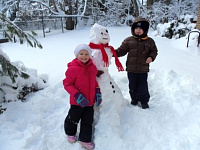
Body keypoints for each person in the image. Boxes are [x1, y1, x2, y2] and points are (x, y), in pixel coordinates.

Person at [63, 44, 102, 150]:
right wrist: (76, 95)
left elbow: (94, 81)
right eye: (81, 54)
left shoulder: (92, 67)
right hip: (77, 101)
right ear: (77, 55)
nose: (84, 56)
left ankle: (84, 139)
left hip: (90, 102)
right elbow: (67, 84)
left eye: (86, 54)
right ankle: (70, 133)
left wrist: (97, 92)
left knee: (87, 121)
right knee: (73, 118)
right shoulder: (73, 69)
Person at [115, 17, 158, 109]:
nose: (138, 30)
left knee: (143, 86)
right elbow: (121, 50)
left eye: (141, 29)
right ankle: (134, 98)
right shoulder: (128, 40)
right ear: (133, 29)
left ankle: (144, 101)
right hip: (131, 69)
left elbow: (154, 51)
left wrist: (151, 57)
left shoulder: (150, 41)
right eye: (136, 28)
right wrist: (112, 53)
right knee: (132, 85)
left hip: (143, 69)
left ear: (145, 30)